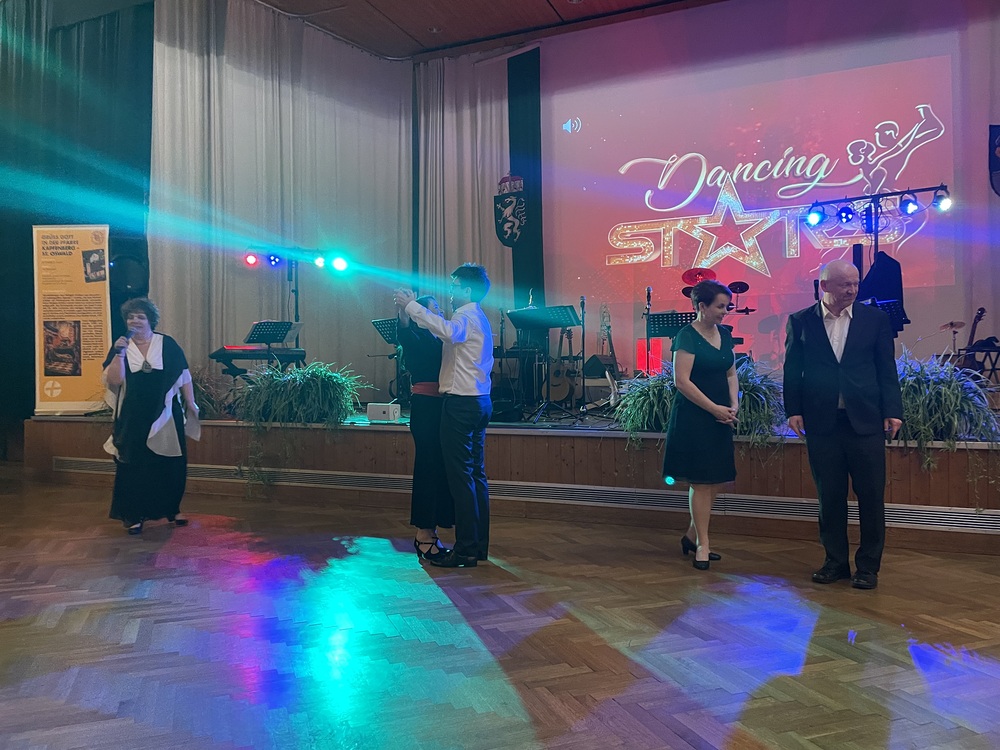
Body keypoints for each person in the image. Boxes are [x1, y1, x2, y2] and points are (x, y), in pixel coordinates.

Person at [783, 259, 902, 590]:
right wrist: (793, 410)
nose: (852, 290)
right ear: (824, 286)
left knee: (871, 496)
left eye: (855, 284)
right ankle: (834, 562)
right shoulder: (800, 320)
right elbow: (792, 369)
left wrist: (893, 410)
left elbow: (886, 368)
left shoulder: (875, 319)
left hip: (865, 421)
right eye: (844, 284)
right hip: (822, 422)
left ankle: (868, 567)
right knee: (830, 496)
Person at [394, 263, 494, 568]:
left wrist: (412, 306)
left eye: (454, 286)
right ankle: (476, 546)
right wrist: (409, 313)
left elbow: (448, 331)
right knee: (474, 476)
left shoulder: (464, 316)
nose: (449, 292)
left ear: (467, 290)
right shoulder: (478, 316)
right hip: (478, 401)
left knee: (462, 478)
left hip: (461, 404)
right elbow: (431, 332)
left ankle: (465, 550)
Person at [102, 298, 200, 535]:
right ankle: (133, 515)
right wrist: (119, 354)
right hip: (133, 416)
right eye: (131, 317)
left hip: (166, 413)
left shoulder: (167, 344)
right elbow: (114, 380)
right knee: (133, 465)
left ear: (150, 321)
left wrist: (190, 403)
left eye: (140, 317)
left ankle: (172, 509)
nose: (135, 321)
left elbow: (184, 375)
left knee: (170, 463)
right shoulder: (121, 346)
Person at [661, 279, 739, 571]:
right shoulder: (686, 335)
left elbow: (731, 373)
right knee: (702, 482)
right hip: (695, 417)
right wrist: (714, 409)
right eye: (720, 307)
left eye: (727, 307)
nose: (725, 312)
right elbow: (682, 381)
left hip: (721, 416)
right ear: (702, 306)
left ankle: (691, 536)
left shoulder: (725, 334)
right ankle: (703, 545)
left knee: (715, 480)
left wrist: (733, 404)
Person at [397, 295, 455, 562]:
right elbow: (404, 331)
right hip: (425, 407)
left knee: (439, 468)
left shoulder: (439, 337)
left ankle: (433, 530)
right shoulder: (416, 336)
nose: (440, 312)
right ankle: (423, 534)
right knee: (427, 468)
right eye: (435, 308)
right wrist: (404, 311)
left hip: (441, 406)